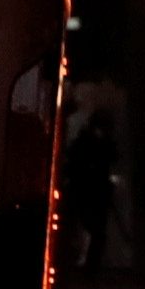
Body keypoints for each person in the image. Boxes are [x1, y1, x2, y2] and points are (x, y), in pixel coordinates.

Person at [62, 107, 120, 272]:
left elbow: (111, 158)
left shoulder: (101, 144)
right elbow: (74, 164)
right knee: (82, 229)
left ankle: (90, 267)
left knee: (96, 232)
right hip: (83, 191)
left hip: (95, 193)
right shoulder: (84, 143)